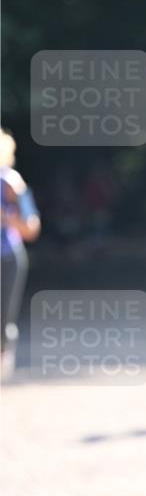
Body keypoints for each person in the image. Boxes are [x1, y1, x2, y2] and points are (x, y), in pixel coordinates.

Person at [0, 129, 41, 377]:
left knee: (3, 319)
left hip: (6, 257)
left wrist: (6, 218)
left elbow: (31, 228)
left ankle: (3, 354)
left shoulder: (11, 183)